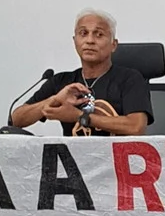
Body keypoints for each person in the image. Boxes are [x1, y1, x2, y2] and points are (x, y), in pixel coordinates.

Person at [11, 9, 152, 136]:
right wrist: (55, 100)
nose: (90, 40)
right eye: (83, 33)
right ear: (75, 41)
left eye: (99, 34)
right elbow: (16, 120)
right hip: (72, 157)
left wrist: (79, 117)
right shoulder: (61, 81)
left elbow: (136, 127)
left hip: (115, 157)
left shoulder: (130, 79)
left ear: (113, 45)